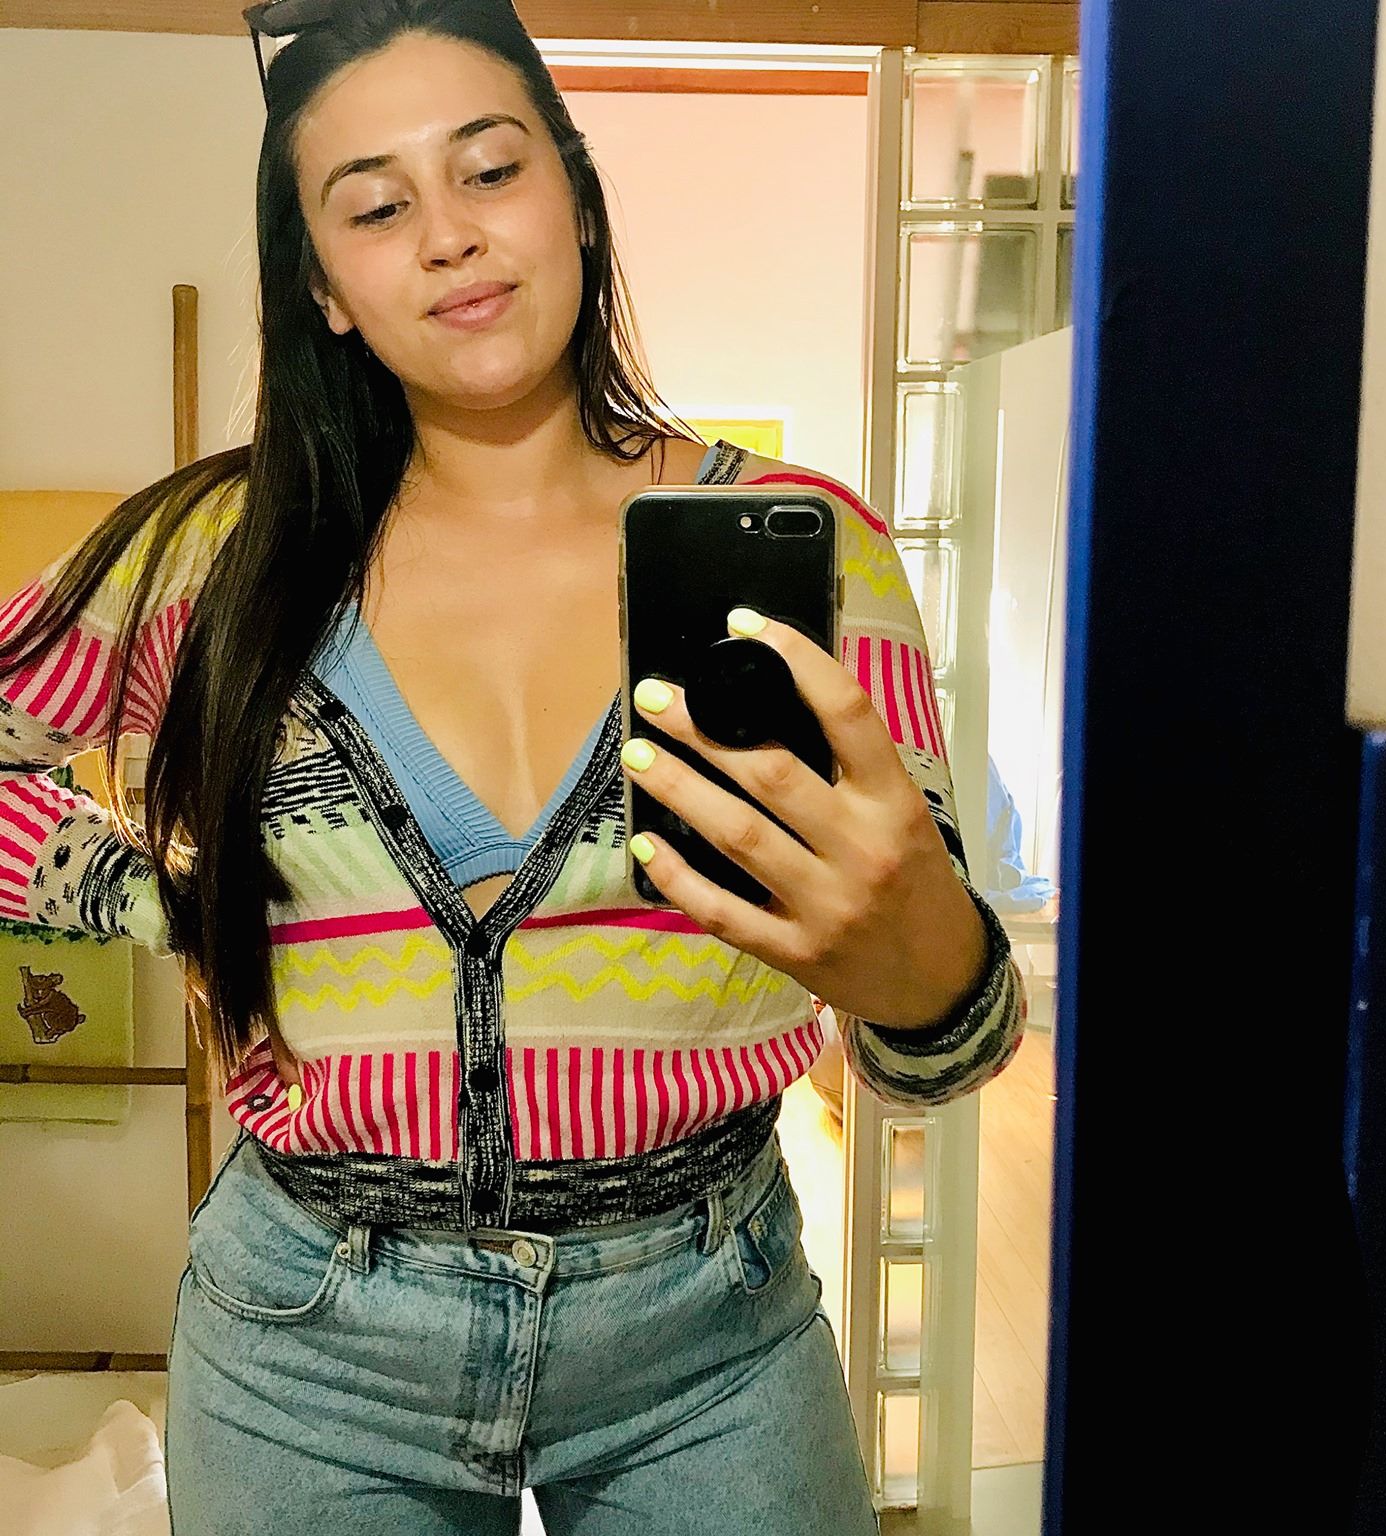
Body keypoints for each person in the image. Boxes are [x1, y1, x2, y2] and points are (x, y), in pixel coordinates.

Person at [0, 3, 1026, 1530]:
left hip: (711, 1340)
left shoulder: (820, 556)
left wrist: (919, 956)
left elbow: (947, 1053)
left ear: (579, 200)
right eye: (375, 206)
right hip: (310, 1350)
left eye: (491, 170)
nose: (449, 236)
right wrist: (147, 894)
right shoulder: (212, 559)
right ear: (324, 286)